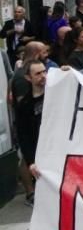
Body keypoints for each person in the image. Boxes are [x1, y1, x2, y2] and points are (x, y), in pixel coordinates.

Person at [15, 59, 46, 206]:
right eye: (38, 73)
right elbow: (23, 135)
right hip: (41, 153)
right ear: (29, 77)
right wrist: (31, 161)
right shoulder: (25, 104)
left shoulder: (58, 94)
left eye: (44, 71)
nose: (43, 76)